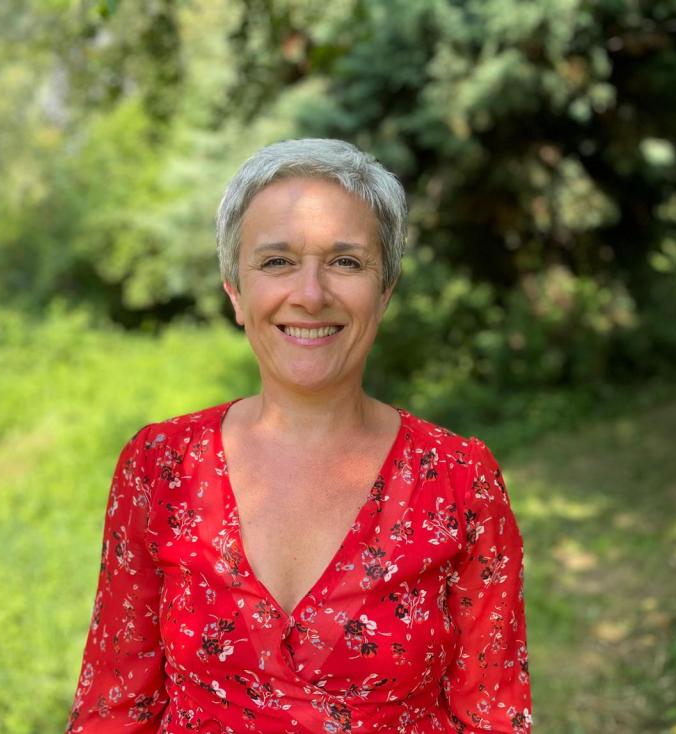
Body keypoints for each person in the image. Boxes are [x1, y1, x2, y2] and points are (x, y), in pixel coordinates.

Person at [65, 138, 531, 733]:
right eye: (277, 262)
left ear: (384, 292)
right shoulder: (160, 467)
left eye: (346, 262)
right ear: (236, 292)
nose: (310, 295)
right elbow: (112, 709)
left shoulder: (460, 479)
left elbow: (493, 717)